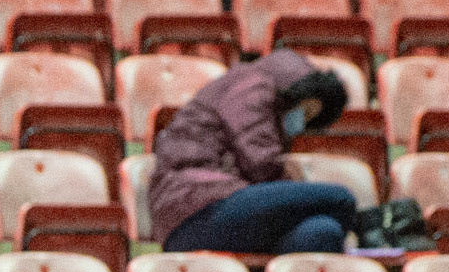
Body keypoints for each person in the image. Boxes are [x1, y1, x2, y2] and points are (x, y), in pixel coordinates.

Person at [150, 50, 355, 255]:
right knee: (340, 199)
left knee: (323, 232)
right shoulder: (253, 85)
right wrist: (290, 181)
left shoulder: (259, 92)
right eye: (307, 112)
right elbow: (260, 162)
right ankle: (369, 229)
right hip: (194, 209)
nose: (301, 123)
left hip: (232, 211)